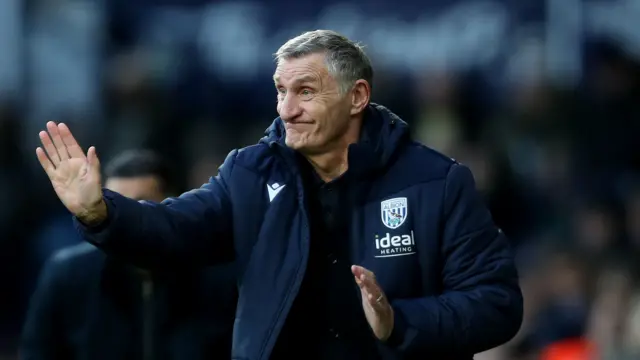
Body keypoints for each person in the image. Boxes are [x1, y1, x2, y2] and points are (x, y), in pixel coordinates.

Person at [35, 30, 523, 359]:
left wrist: (400, 322)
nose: (286, 110)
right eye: (279, 91)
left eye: (305, 92)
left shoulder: (435, 184)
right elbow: (173, 228)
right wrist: (101, 212)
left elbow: (497, 304)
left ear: (357, 97)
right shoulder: (249, 173)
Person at [22, 150, 237, 360]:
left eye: (138, 206)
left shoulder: (221, 276)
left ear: (175, 206)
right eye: (113, 204)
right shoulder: (69, 275)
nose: (123, 218)